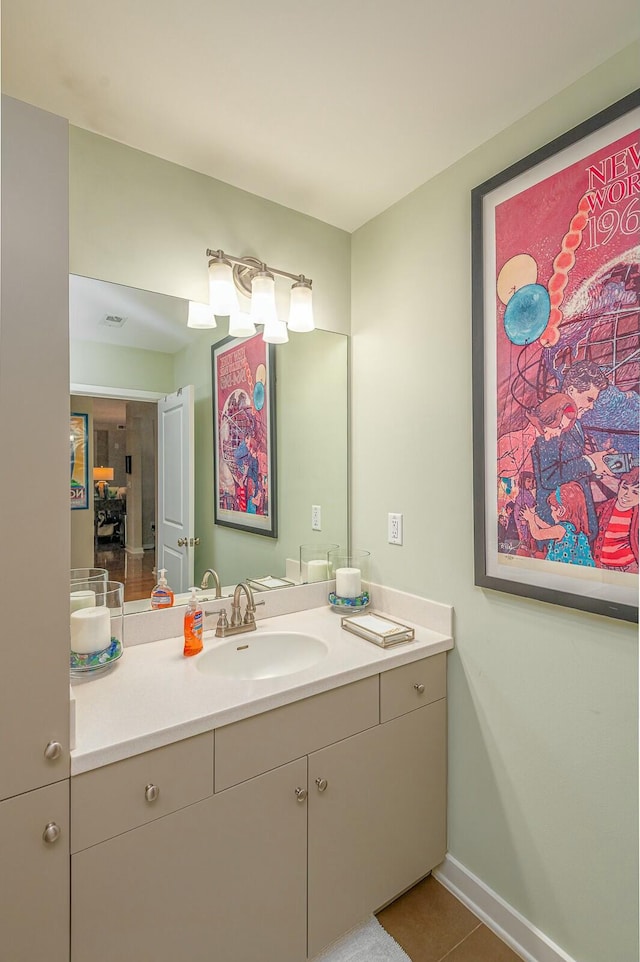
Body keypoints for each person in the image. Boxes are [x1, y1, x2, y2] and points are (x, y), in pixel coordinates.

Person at [533, 361, 615, 540]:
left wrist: (597, 467)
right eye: (589, 399)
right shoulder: (550, 423)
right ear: (571, 391)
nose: (591, 406)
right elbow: (549, 476)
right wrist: (590, 462)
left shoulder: (575, 424)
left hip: (577, 524)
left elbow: (570, 466)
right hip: (556, 525)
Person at [520, 481, 595, 567]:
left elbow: (538, 534)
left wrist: (530, 519)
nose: (552, 513)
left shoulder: (560, 529)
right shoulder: (571, 528)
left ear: (561, 511)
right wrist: (535, 518)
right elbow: (549, 529)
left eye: (553, 510)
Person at [592, 467, 639, 572]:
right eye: (625, 488)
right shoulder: (603, 508)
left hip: (629, 566)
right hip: (601, 565)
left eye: (635, 492)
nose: (627, 495)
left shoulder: (637, 514)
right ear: (619, 486)